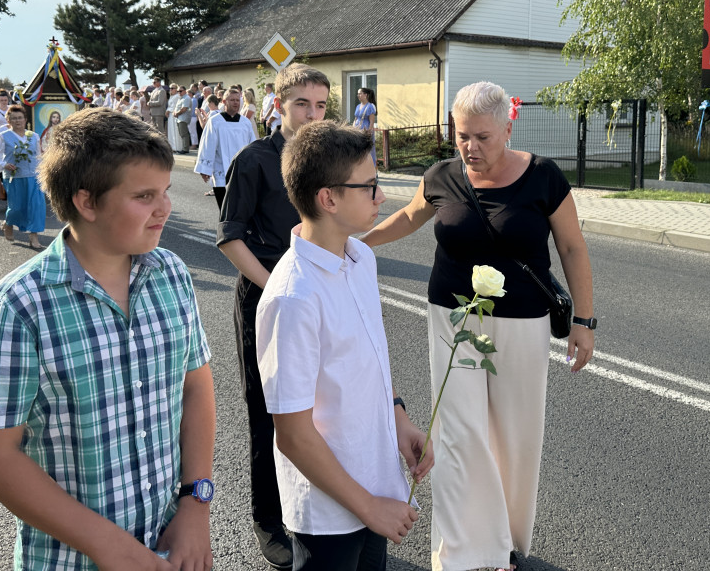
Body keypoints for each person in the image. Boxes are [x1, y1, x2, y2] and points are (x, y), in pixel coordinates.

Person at [0, 107, 216, 570]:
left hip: (170, 542)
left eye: (166, 192)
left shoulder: (171, 274)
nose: (165, 209)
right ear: (87, 202)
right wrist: (109, 547)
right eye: (144, 196)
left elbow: (195, 386)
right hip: (72, 559)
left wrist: (196, 503)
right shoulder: (15, 309)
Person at [361, 81, 595, 571]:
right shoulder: (443, 175)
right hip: (451, 316)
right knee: (458, 433)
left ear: (509, 128)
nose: (469, 147)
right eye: (461, 134)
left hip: (522, 323)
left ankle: (506, 545)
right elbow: (408, 216)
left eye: (482, 137)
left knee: (515, 436)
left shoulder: (544, 178)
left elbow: (573, 247)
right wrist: (356, 242)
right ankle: (462, 552)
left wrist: (584, 321)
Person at [257, 120, 433, 571]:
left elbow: (369, 361)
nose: (382, 197)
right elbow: (293, 435)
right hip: (330, 509)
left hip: (374, 479)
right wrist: (367, 506)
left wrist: (400, 421)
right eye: (370, 187)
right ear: (328, 198)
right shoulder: (293, 297)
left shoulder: (360, 257)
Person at [216, 63, 331, 570]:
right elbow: (230, 235)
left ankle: (315, 508)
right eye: (303, 103)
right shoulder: (254, 160)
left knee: (319, 410)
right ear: (278, 103)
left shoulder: (328, 160)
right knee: (268, 415)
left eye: (322, 105)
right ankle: (269, 518)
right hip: (266, 299)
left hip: (317, 298)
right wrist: (278, 290)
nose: (313, 114)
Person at [0, 105, 45, 250]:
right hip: (14, 177)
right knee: (16, 208)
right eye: (14, 118)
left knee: (36, 207)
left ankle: (33, 236)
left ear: (25, 119)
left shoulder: (34, 136)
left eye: (20, 118)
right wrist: (4, 164)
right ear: (8, 120)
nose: (17, 121)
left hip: (34, 176)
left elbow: (39, 156)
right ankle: (8, 223)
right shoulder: (3, 136)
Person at [195, 87, 256, 211]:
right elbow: (207, 145)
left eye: (237, 100)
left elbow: (253, 146)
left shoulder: (245, 123)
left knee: (241, 209)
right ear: (224, 102)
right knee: (224, 210)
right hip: (221, 171)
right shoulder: (215, 121)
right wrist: (205, 169)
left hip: (241, 172)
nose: (235, 103)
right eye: (232, 100)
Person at [352, 87, 378, 166]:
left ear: (365, 95)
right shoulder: (358, 106)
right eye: (358, 94)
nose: (358, 95)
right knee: (358, 150)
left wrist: (369, 132)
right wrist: (352, 129)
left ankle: (373, 170)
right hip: (357, 130)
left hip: (366, 131)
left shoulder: (370, 106)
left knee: (368, 151)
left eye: (360, 93)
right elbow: (355, 118)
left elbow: (372, 121)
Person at [174, 86, 193, 154]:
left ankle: (185, 149)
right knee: (182, 133)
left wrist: (177, 113)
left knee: (184, 134)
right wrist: (175, 112)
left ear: (185, 91)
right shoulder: (181, 98)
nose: (179, 92)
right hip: (179, 118)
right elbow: (177, 108)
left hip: (183, 118)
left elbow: (184, 108)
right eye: (178, 91)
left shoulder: (186, 98)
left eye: (180, 91)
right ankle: (184, 147)